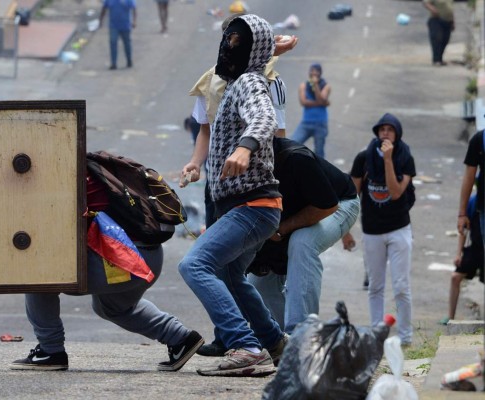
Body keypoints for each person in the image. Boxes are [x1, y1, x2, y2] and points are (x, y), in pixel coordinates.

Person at [10, 167, 204, 372]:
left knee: (37, 276)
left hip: (126, 259)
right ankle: (180, 337)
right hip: (148, 257)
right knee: (113, 307)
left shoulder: (62, 182)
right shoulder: (94, 169)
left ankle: (51, 351)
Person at [178, 14, 287, 377]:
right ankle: (273, 342)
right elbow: (209, 134)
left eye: (238, 41)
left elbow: (263, 118)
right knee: (229, 274)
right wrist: (197, 165)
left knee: (194, 265)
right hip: (243, 207)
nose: (228, 46)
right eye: (228, 38)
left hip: (252, 206)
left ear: (254, 50)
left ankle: (244, 345)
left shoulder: (250, 83)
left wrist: (245, 148)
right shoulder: (233, 83)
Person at [248, 137, 360, 333]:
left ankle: (301, 334)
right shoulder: (244, 166)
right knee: (259, 283)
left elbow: (327, 205)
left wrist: (282, 229)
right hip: (296, 212)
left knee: (302, 243)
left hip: (339, 203)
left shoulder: (296, 158)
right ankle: (283, 341)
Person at [341, 113, 416, 346]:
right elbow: (350, 196)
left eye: (390, 130)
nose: (385, 133)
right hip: (372, 231)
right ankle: (376, 334)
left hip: (399, 229)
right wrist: (345, 231)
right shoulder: (363, 159)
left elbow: (395, 193)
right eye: (381, 129)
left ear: (397, 134)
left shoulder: (404, 157)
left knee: (401, 286)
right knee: (375, 286)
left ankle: (405, 337)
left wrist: (387, 160)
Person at [439, 193, 484, 325]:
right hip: (476, 247)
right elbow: (464, 230)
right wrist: (458, 254)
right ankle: (450, 317)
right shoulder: (473, 202)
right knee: (455, 277)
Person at [291, 63, 331, 158]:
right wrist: (322, 103)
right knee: (293, 144)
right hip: (306, 123)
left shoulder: (326, 86)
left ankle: (319, 172)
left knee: (319, 152)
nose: (314, 73)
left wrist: (316, 85)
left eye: (316, 71)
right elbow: (304, 102)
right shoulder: (303, 86)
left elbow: (321, 99)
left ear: (320, 73)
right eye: (312, 71)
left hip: (320, 124)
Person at [100, 0, 136, 70]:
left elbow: (134, 8)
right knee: (113, 43)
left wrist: (134, 21)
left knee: (127, 44)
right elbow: (104, 8)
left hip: (125, 25)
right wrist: (101, 20)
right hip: (114, 25)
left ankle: (129, 60)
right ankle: (114, 63)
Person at [423, 0, 454, 66]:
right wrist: (433, 10)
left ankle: (440, 58)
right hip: (436, 19)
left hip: (448, 20)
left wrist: (453, 21)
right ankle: (436, 59)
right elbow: (426, 3)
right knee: (437, 39)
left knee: (445, 39)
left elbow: (451, 9)